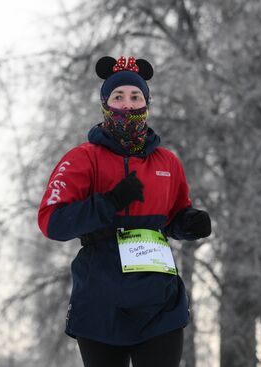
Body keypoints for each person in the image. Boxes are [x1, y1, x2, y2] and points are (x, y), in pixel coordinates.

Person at [37, 55, 211, 367]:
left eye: (135, 96)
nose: (128, 105)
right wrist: (109, 201)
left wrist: (189, 223)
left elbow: (173, 215)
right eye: (118, 97)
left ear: (147, 103)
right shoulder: (82, 159)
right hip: (101, 301)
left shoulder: (167, 162)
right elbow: (53, 222)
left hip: (159, 301)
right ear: (105, 103)